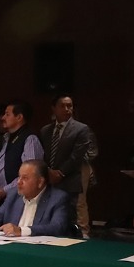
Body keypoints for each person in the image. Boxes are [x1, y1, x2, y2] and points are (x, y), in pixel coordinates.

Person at [0, 160, 74, 237]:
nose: (19, 182)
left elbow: (58, 227)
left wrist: (22, 231)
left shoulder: (58, 198)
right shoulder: (13, 195)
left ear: (40, 182)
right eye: (19, 177)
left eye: (25, 178)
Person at [41, 97, 98, 239]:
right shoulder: (45, 130)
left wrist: (61, 172)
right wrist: (49, 171)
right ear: (54, 108)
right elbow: (43, 154)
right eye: (63, 106)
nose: (67, 109)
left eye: (70, 106)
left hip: (73, 174)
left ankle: (83, 233)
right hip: (50, 177)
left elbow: (77, 155)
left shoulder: (81, 128)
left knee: (77, 207)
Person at [0, 100, 44, 201]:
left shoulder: (30, 139)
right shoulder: (7, 137)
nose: (3, 118)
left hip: (19, 197)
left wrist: (6, 189)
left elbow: (31, 173)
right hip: (1, 196)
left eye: (7, 114)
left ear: (19, 117)